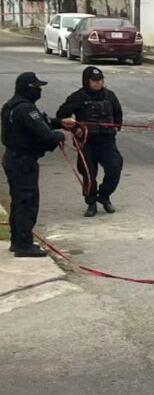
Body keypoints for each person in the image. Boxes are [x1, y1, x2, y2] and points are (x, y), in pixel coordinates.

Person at [2, 73, 74, 257]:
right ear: (27, 88)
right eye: (36, 87)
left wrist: (59, 123)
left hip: (13, 159)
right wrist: (59, 136)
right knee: (27, 202)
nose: (39, 90)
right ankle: (23, 245)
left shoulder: (11, 105)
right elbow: (44, 134)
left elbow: (42, 121)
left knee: (18, 201)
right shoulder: (26, 110)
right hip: (23, 161)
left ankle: (18, 240)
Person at [57, 67, 123, 217]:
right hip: (87, 143)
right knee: (88, 174)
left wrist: (117, 126)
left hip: (107, 142)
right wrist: (75, 129)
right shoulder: (77, 97)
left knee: (115, 168)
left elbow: (118, 112)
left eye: (100, 80)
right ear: (87, 81)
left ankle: (104, 196)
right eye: (94, 81)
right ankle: (91, 202)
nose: (98, 83)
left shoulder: (110, 96)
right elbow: (62, 116)